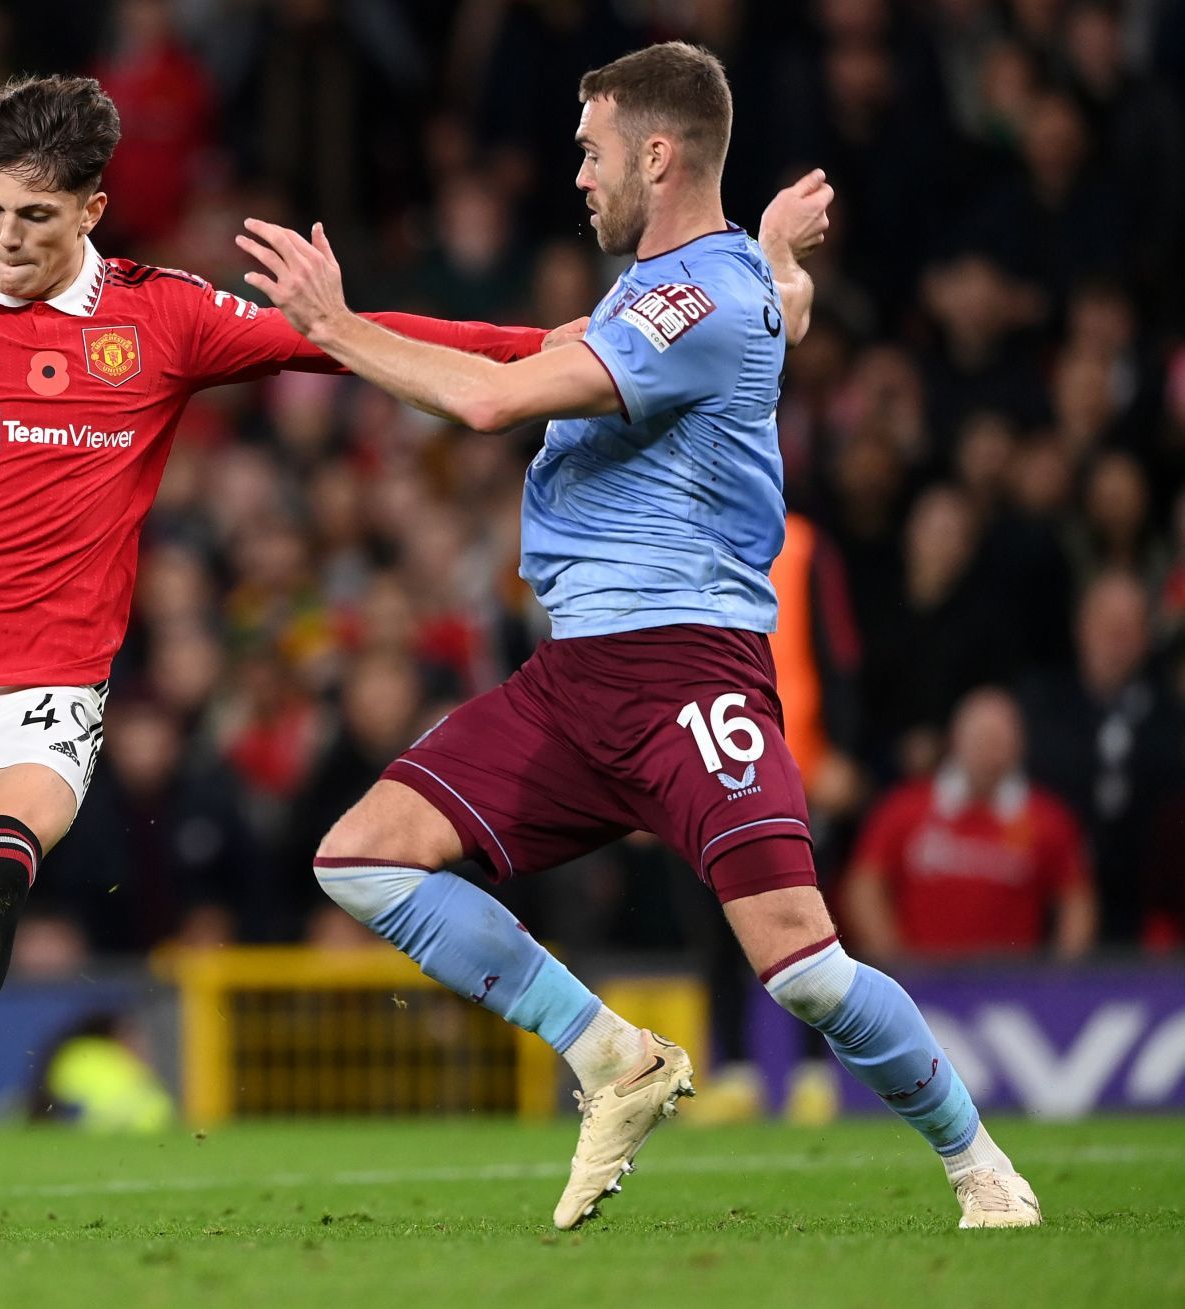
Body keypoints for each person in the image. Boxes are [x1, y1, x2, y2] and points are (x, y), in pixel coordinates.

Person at [0, 74, 558, 1221]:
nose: (7, 240)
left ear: (92, 207)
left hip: (42, 680)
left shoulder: (161, 318)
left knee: (0, 860)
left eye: (35, 215)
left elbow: (336, 342)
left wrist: (545, 344)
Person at [239, 42, 1040, 1231]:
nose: (576, 174)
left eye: (591, 150)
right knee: (361, 855)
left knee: (808, 973)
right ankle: (611, 1052)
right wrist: (774, 250)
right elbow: (772, 310)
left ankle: (981, 1166)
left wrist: (336, 327)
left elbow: (489, 399)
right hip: (574, 682)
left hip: (684, 675)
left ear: (657, 155)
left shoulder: (688, 300)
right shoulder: (708, 287)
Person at [844, 688, 1096, 962]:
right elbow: (863, 887)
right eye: (981, 739)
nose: (989, 752)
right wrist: (896, 964)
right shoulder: (904, 809)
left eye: (999, 741)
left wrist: (1061, 977)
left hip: (1012, 990)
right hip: (922, 984)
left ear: (1019, 745)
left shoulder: (1048, 819)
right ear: (955, 739)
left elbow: (1077, 900)